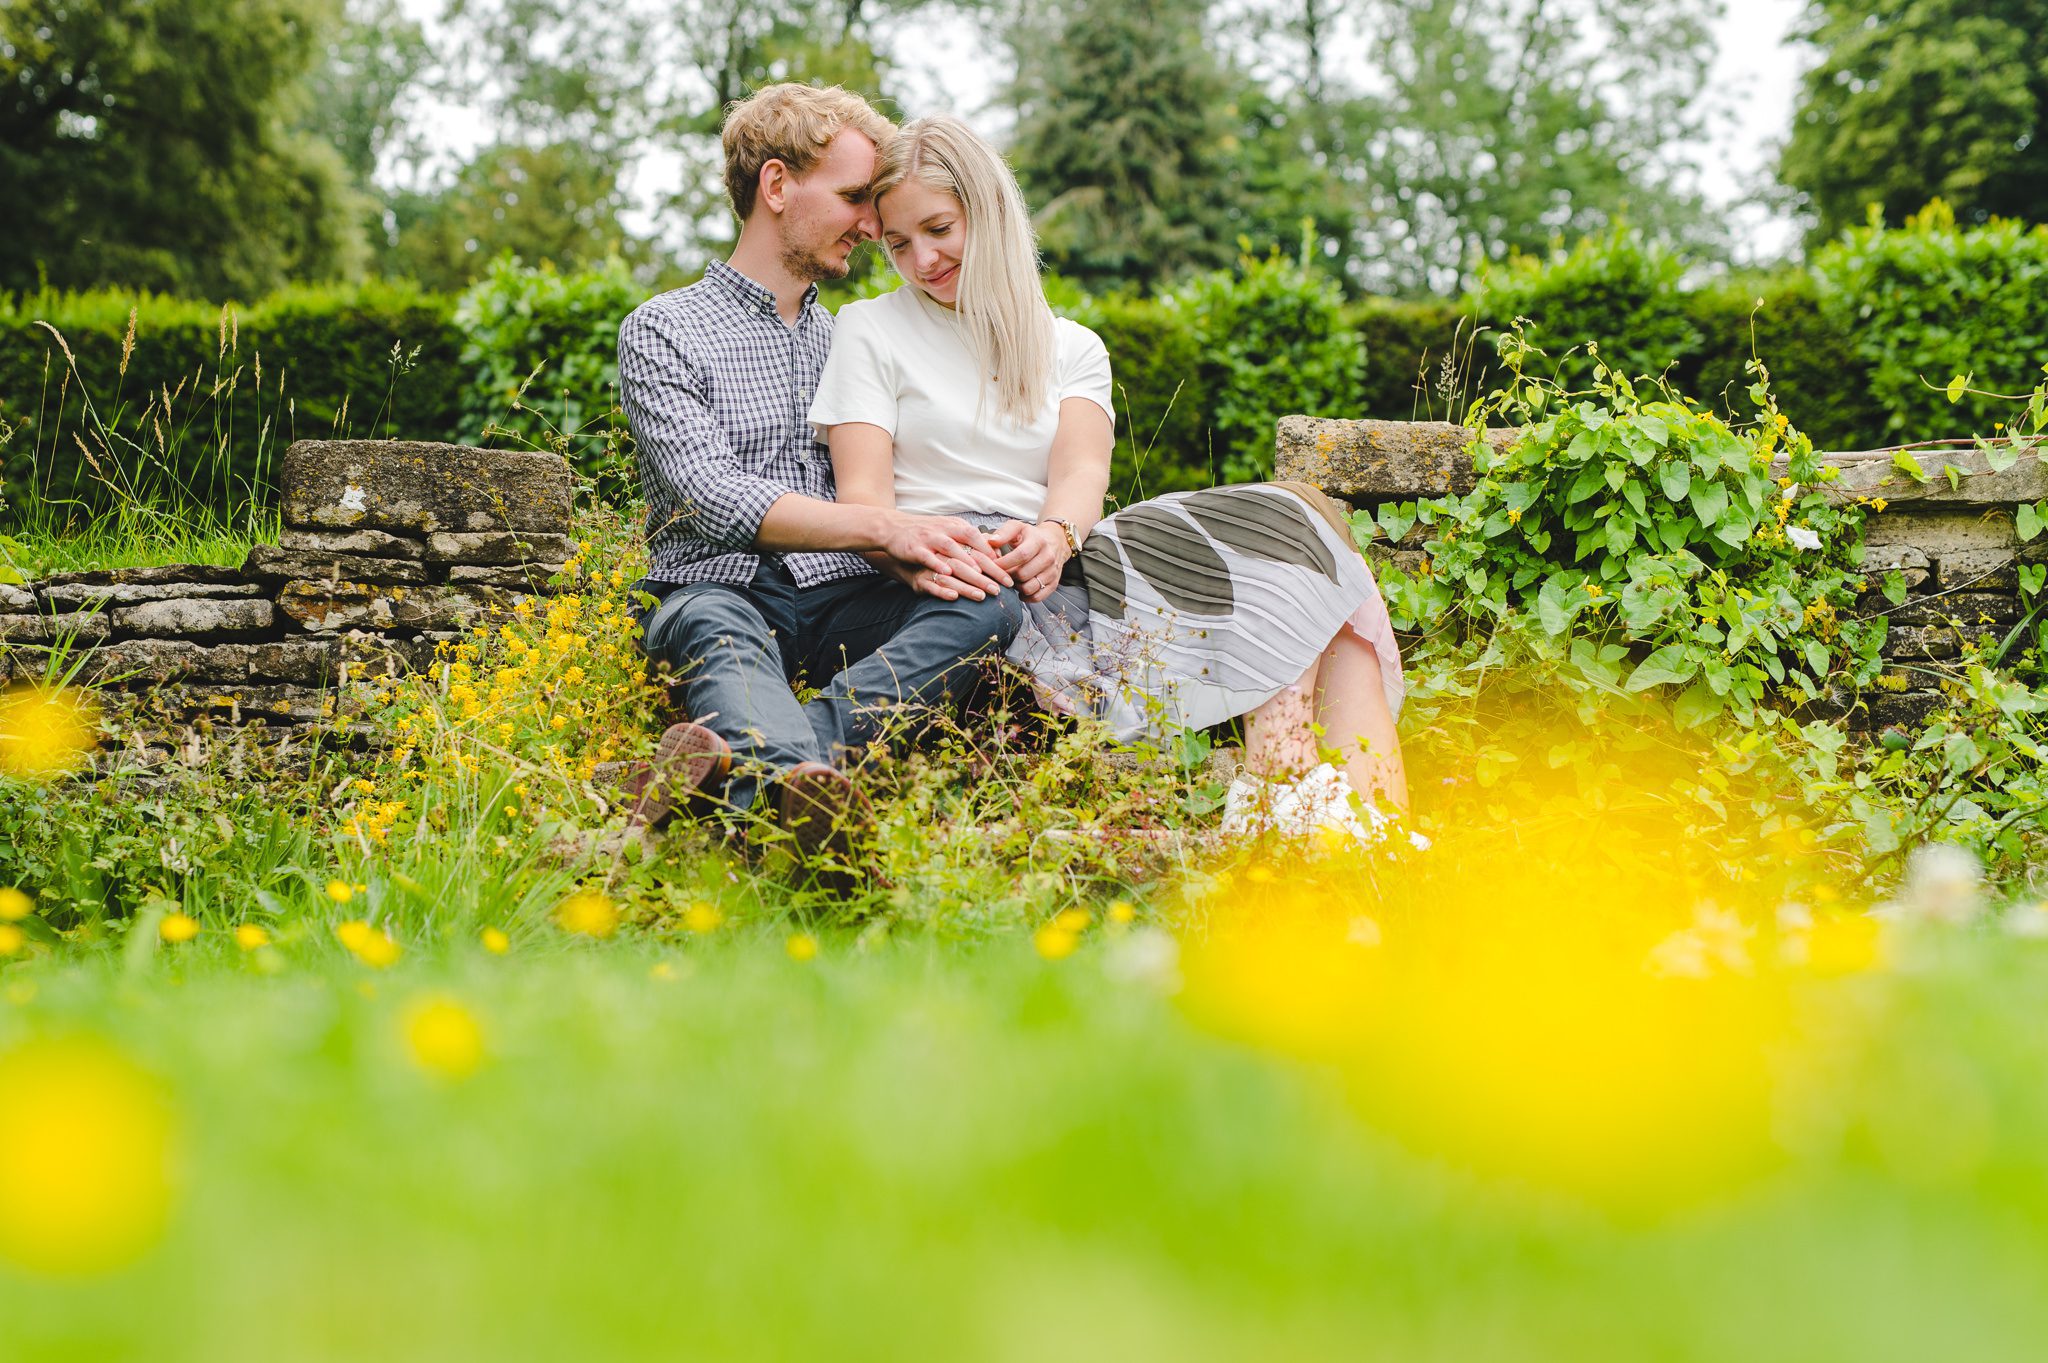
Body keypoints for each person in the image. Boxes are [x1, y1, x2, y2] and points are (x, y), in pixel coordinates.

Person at [808, 116, 1414, 844]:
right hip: (950, 572)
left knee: (1292, 522)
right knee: (1314, 569)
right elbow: (865, 502)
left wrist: (1053, 535)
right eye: (898, 244)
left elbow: (1082, 472)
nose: (922, 259)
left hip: (1064, 560)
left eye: (939, 228)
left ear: (990, 211)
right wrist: (935, 548)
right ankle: (1318, 818)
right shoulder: (868, 328)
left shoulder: (1071, 346)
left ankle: (1310, 797)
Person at [616, 86, 1025, 859]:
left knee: (986, 602)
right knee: (715, 629)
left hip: (844, 597)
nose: (873, 227)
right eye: (853, 199)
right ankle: (808, 812)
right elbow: (710, 495)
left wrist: (944, 543)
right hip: (718, 587)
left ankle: (773, 775)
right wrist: (884, 525)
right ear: (777, 187)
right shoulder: (663, 329)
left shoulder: (855, 336)